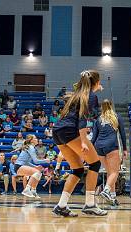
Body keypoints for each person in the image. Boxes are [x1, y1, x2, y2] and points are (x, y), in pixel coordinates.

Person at [52, 69, 106, 217]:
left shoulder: (76, 94)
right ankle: (90, 204)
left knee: (78, 169)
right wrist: (83, 140)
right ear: (96, 82)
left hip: (57, 132)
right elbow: (82, 118)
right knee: (95, 164)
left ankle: (61, 205)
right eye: (99, 81)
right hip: (70, 131)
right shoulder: (91, 96)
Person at [92, 99, 127, 206]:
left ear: (102, 107)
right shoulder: (117, 117)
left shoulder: (98, 119)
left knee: (110, 173)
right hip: (111, 145)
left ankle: (112, 197)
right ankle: (106, 190)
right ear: (111, 106)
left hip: (99, 147)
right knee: (115, 172)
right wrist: (125, 148)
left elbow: (94, 137)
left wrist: (89, 150)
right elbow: (123, 134)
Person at [14, 134, 50, 198]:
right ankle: (27, 189)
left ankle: (33, 190)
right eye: (35, 138)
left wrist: (35, 167)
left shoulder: (29, 147)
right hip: (19, 166)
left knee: (39, 173)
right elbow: (36, 161)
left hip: (19, 166)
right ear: (31, 140)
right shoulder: (31, 147)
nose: (37, 139)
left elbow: (27, 162)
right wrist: (45, 160)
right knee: (37, 172)